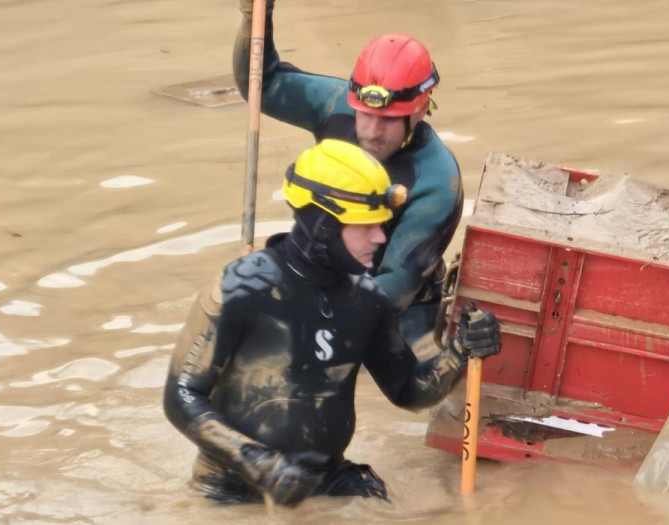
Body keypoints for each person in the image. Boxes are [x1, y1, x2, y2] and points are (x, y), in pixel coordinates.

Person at [162, 140, 500, 506]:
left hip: (328, 480)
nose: (381, 238)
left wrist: (460, 351)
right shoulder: (242, 287)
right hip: (232, 491)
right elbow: (182, 395)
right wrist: (258, 463)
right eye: (366, 227)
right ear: (322, 225)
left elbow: (408, 391)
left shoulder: (365, 299)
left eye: (381, 225)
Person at [233, 1, 464, 351]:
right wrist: (254, 17)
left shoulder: (436, 182)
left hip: (401, 315)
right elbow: (262, 84)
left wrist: (297, 320)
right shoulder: (336, 105)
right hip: (321, 278)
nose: (370, 132)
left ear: (420, 107)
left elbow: (393, 291)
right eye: (364, 115)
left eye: (387, 120)